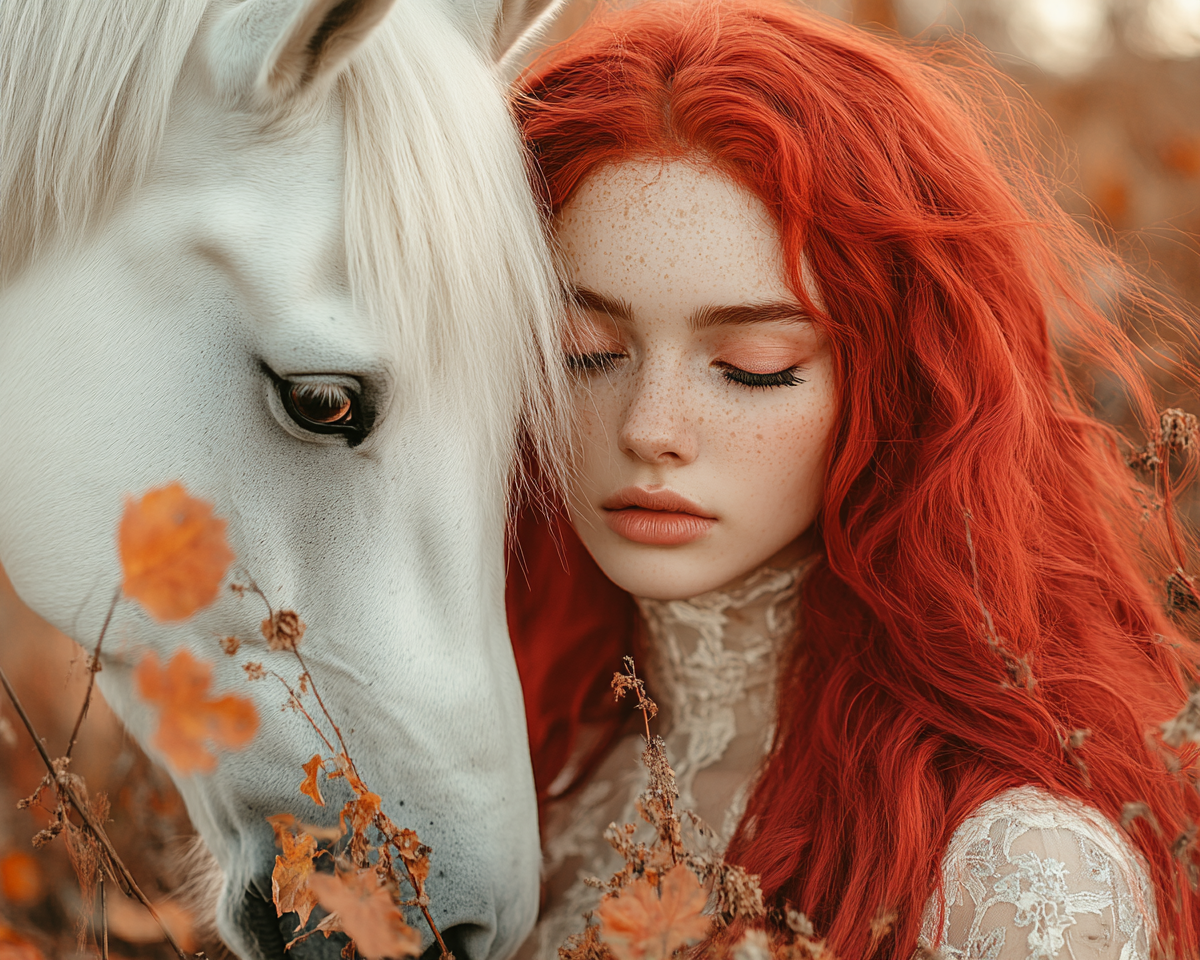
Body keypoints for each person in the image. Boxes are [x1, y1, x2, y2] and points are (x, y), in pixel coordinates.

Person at [505, 2, 1200, 957]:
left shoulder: (1014, 870)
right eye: (584, 352)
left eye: (751, 363)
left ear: (898, 385)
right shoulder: (528, 785)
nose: (650, 429)